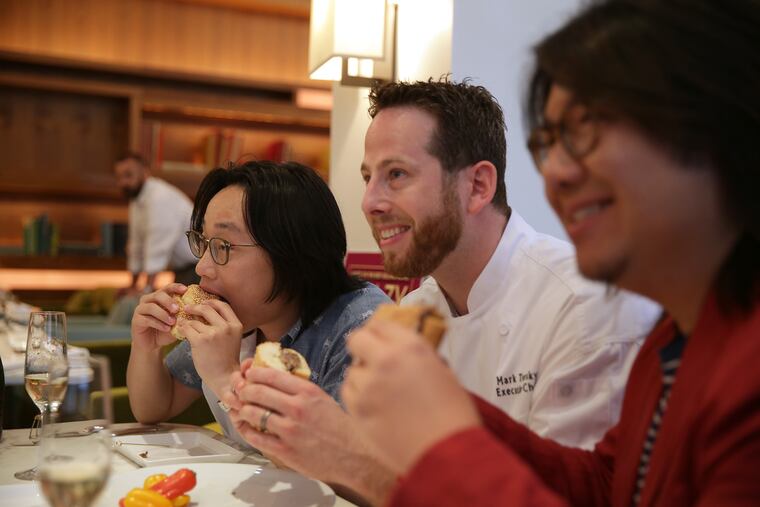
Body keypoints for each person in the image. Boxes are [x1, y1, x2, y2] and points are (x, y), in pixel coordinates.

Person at [343, 0, 760, 505]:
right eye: (550, 143)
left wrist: (443, 441)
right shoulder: (675, 339)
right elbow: (605, 484)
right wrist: (452, 410)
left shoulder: (741, 363)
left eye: (586, 132)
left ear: (713, 131)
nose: (556, 172)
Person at [224, 78, 660, 503]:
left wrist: (347, 455)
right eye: (368, 177)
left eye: (396, 174)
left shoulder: (584, 304)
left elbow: (566, 494)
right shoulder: (416, 308)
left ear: (477, 186)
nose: (369, 202)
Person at [126, 160, 389, 446]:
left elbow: (342, 468)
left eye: (223, 246)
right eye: (204, 242)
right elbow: (153, 408)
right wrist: (147, 348)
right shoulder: (236, 317)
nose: (202, 267)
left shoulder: (365, 330)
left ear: (292, 253)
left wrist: (227, 380)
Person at [114, 152, 199, 293]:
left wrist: (146, 289)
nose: (123, 183)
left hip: (197, 270)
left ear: (145, 172)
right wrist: (132, 286)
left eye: (128, 175)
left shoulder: (159, 197)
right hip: (181, 270)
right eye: (119, 177)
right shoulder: (137, 199)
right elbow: (136, 245)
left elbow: (157, 247)